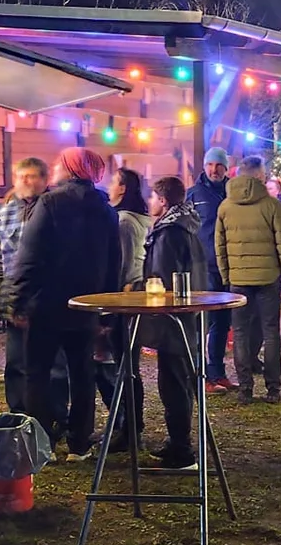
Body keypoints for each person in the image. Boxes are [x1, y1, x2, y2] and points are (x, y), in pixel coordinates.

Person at [11, 146, 121, 458]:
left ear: (70, 169)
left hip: (47, 305)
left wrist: (17, 300)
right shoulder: (106, 210)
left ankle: (41, 442)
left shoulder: (50, 203)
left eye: (59, 163)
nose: (55, 168)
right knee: (82, 374)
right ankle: (79, 442)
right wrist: (106, 314)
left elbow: (29, 256)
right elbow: (114, 264)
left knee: (37, 374)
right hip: (87, 306)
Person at [214, 154, 281, 404]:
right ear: (260, 175)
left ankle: (245, 388)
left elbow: (220, 246)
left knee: (240, 333)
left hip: (238, 279)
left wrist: (226, 276)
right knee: (271, 332)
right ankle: (273, 388)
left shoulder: (225, 206)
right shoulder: (271, 205)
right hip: (267, 277)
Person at [139, 176, 208, 468]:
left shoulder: (168, 233)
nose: (149, 202)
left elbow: (161, 278)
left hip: (173, 319)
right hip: (187, 316)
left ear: (163, 201)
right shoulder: (186, 226)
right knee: (179, 380)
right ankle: (177, 442)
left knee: (174, 383)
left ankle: (182, 449)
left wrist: (146, 297)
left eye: (153, 197)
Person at [0, 155, 47, 415]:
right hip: (14, 300)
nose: (26, 182)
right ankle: (17, 415)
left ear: (44, 180)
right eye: (21, 177)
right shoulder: (4, 215)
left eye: (31, 176)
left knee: (48, 365)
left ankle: (48, 417)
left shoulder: (52, 211)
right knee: (15, 363)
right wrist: (1, 296)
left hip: (44, 300)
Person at [97, 168, 153, 449]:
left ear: (123, 188)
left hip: (124, 298)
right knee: (124, 364)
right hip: (130, 295)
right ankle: (127, 425)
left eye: (113, 182)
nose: (109, 186)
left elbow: (124, 262)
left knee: (125, 366)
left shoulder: (124, 221)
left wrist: (111, 302)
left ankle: (130, 428)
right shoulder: (135, 218)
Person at [184, 147, 234, 390]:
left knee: (222, 322)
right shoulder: (194, 194)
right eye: (210, 165)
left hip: (227, 266)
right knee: (202, 323)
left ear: (226, 167)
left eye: (218, 165)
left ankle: (217, 372)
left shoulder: (232, 192)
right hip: (204, 266)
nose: (214, 170)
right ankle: (201, 376)